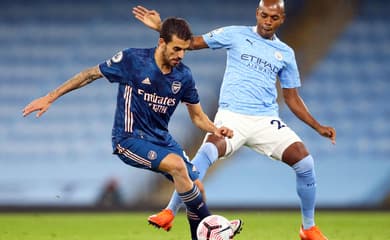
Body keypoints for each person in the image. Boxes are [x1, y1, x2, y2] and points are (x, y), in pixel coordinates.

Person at [132, 1, 336, 239]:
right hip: (232, 116)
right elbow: (192, 43)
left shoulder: (286, 54)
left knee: (305, 163)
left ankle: (308, 228)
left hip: (265, 120)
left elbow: (292, 97)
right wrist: (161, 28)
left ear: (282, 19)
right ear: (257, 14)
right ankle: (169, 211)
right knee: (205, 155)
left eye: (274, 17)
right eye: (264, 15)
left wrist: (318, 126)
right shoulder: (235, 34)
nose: (268, 21)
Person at [22, 17, 237, 240]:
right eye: (176, 49)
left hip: (161, 139)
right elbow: (90, 74)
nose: (180, 55)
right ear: (161, 42)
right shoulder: (133, 60)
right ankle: (214, 227)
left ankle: (202, 234)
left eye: (184, 50)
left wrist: (215, 128)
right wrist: (50, 97)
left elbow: (198, 116)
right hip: (129, 138)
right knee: (177, 166)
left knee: (197, 188)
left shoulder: (183, 76)